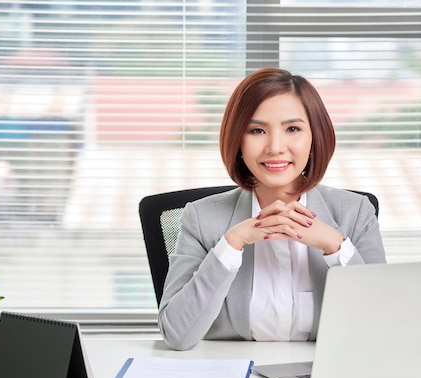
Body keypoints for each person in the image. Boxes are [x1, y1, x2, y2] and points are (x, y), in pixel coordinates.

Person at [158, 68, 386, 350]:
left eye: (293, 129)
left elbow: (383, 327)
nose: (275, 147)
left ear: (314, 137)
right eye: (257, 130)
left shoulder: (355, 213)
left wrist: (335, 246)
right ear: (238, 142)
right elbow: (177, 336)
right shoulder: (203, 218)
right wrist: (231, 244)